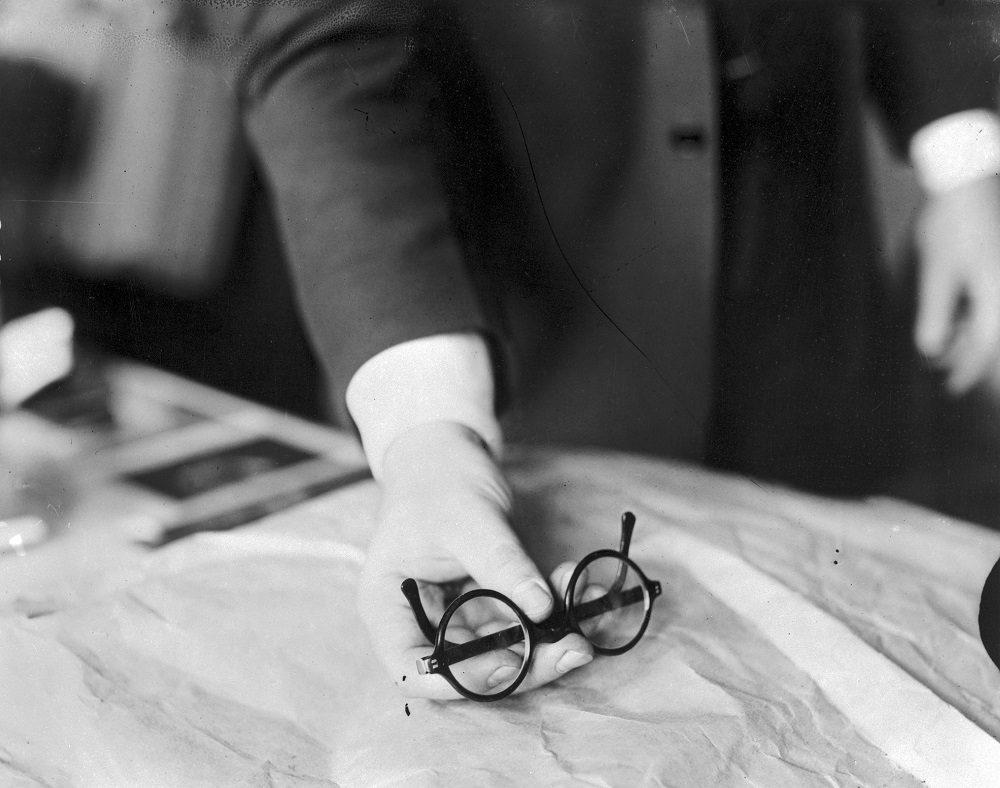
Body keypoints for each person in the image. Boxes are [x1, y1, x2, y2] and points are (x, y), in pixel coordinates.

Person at [204, 1, 1000, 699]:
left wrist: (966, 158)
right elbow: (318, 41)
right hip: (533, 390)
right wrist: (426, 431)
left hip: (813, 325)